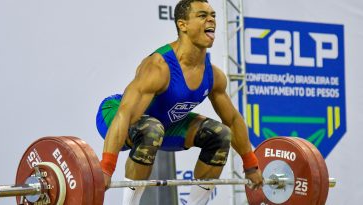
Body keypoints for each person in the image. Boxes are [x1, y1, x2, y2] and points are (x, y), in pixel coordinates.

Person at [96, 0, 263, 204]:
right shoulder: (159, 67)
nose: (211, 19)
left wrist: (251, 165)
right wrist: (106, 167)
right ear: (182, 25)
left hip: (165, 126)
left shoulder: (213, 76)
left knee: (220, 135)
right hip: (115, 117)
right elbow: (125, 114)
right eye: (202, 15)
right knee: (151, 129)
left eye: (213, 15)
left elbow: (233, 120)